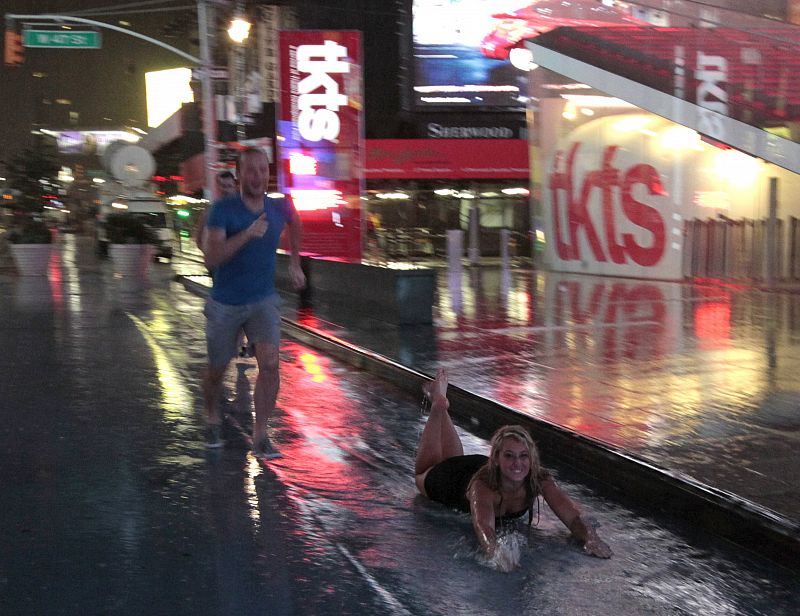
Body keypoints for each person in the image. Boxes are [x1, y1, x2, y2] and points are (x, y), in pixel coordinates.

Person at [415, 369, 612, 571]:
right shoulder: (483, 487)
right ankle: (438, 407)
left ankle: (441, 403)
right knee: (422, 472)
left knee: (454, 458)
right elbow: (484, 527)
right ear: (497, 459)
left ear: (531, 458)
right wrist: (496, 553)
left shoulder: (539, 478)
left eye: (523, 456)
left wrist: (590, 538)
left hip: (470, 468)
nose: (517, 463)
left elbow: (573, 516)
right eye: (509, 455)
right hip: (446, 479)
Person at [202, 148, 305, 458]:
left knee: (270, 364)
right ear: (240, 174)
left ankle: (260, 435)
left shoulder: (279, 206)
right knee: (217, 369)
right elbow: (212, 257)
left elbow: (295, 221)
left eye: (263, 170)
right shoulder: (223, 209)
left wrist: (295, 262)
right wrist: (247, 234)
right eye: (251, 170)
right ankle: (211, 415)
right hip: (226, 302)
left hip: (263, 300)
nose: (258, 176)